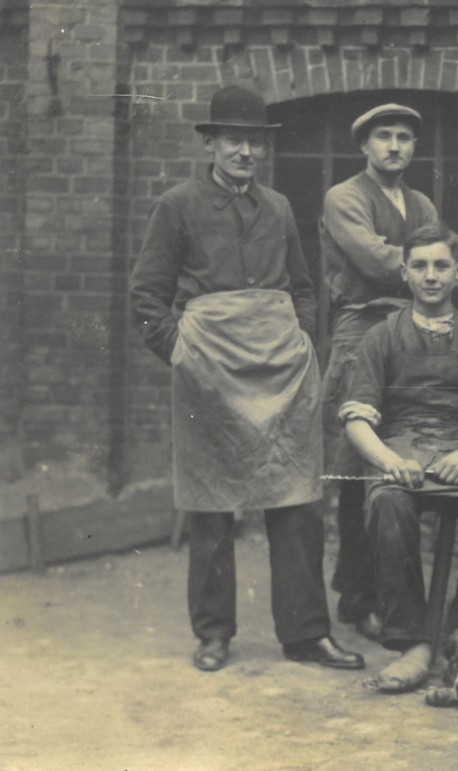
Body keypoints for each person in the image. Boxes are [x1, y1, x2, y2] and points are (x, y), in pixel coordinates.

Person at [129, 85, 363, 672]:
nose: (246, 152)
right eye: (235, 140)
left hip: (280, 370)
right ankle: (213, 633)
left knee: (298, 499)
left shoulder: (279, 207)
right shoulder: (177, 204)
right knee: (210, 506)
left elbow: (303, 286)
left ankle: (306, 634)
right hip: (207, 370)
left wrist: (301, 341)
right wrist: (183, 353)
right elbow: (147, 297)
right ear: (211, 143)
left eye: (255, 142)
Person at [340, 222, 458, 692]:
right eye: (420, 266)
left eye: (441, 266)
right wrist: (386, 460)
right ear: (405, 273)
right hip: (400, 448)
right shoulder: (381, 337)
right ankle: (413, 642)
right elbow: (358, 419)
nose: (430, 275)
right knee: (387, 505)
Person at [319, 103, 439, 640]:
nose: (395, 146)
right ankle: (357, 595)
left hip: (411, 333)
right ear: (364, 147)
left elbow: (435, 255)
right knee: (354, 463)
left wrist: (425, 270)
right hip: (361, 329)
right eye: (384, 137)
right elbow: (371, 259)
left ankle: (393, 595)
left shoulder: (421, 202)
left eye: (405, 137)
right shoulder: (345, 197)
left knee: (402, 452)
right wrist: (428, 269)